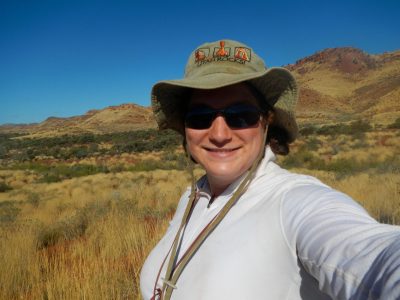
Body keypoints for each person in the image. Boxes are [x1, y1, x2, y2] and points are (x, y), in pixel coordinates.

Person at [140, 39, 400, 300]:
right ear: (185, 128)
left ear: (266, 122)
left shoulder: (294, 200)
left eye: (241, 115)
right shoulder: (192, 195)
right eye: (200, 117)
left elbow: (369, 256)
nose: (219, 134)